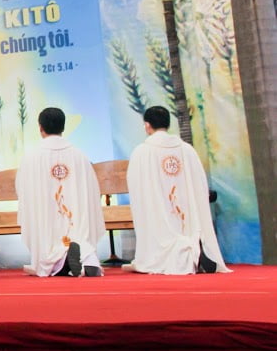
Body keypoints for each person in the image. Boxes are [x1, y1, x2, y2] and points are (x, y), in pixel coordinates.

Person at [124, 106, 229, 275]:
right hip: (186, 213)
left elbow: (136, 186)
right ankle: (194, 250)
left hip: (158, 212)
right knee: (187, 229)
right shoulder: (187, 149)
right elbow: (200, 183)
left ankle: (186, 254)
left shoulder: (142, 152)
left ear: (147, 125)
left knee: (160, 240)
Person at [16, 108, 105, 277]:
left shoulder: (32, 156)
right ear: (63, 127)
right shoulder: (79, 155)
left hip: (45, 219)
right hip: (75, 217)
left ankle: (60, 262)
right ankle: (88, 260)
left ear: (40, 127)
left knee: (47, 247)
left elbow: (23, 189)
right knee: (78, 236)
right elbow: (92, 189)